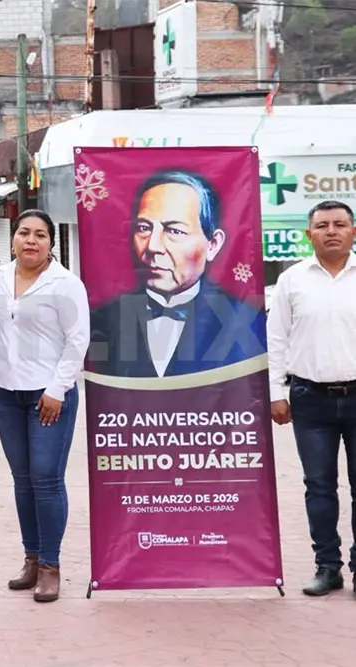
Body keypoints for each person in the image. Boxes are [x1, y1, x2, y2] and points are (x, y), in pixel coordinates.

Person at [0, 209, 89, 603]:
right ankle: (30, 558)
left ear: (51, 242)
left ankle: (50, 566)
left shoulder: (65, 284)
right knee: (22, 481)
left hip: (48, 396)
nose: (31, 241)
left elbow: (78, 340)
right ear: (13, 238)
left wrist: (57, 389)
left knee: (46, 479)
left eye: (40, 235)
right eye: (24, 233)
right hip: (5, 393)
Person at [87, 170, 266, 378]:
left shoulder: (244, 321)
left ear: (213, 244)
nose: (153, 246)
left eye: (174, 231)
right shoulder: (102, 320)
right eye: (144, 228)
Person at [268, 200, 356, 597]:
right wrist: (276, 393)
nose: (332, 231)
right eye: (322, 226)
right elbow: (276, 340)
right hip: (310, 398)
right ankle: (327, 566)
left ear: (353, 231)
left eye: (340, 224)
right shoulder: (292, 280)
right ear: (309, 235)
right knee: (319, 486)